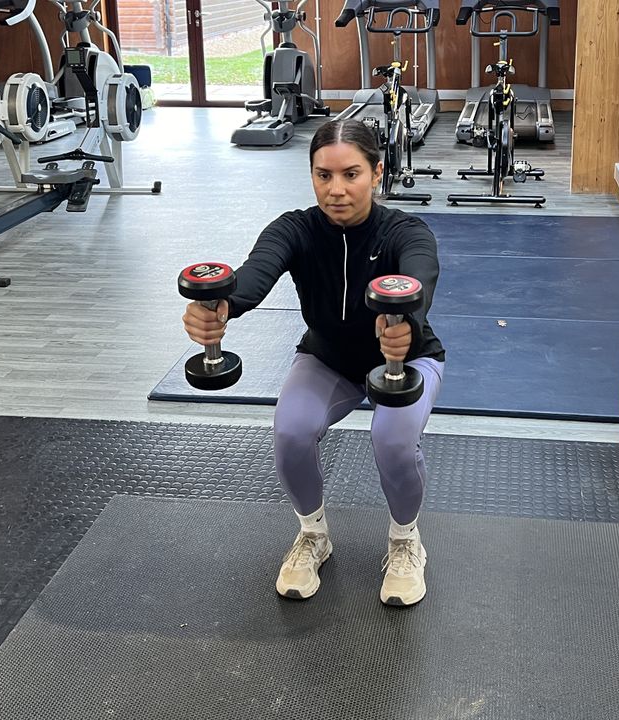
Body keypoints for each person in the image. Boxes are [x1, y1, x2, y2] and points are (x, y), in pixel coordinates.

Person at [182, 119, 446, 606]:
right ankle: (313, 534)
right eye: (324, 176)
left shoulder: (404, 231)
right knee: (290, 431)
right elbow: (254, 273)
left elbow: (419, 276)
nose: (337, 189)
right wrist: (216, 306)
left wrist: (405, 320)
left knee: (392, 440)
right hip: (330, 358)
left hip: (406, 360)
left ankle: (406, 540)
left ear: (377, 173)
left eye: (351, 174)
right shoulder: (296, 229)